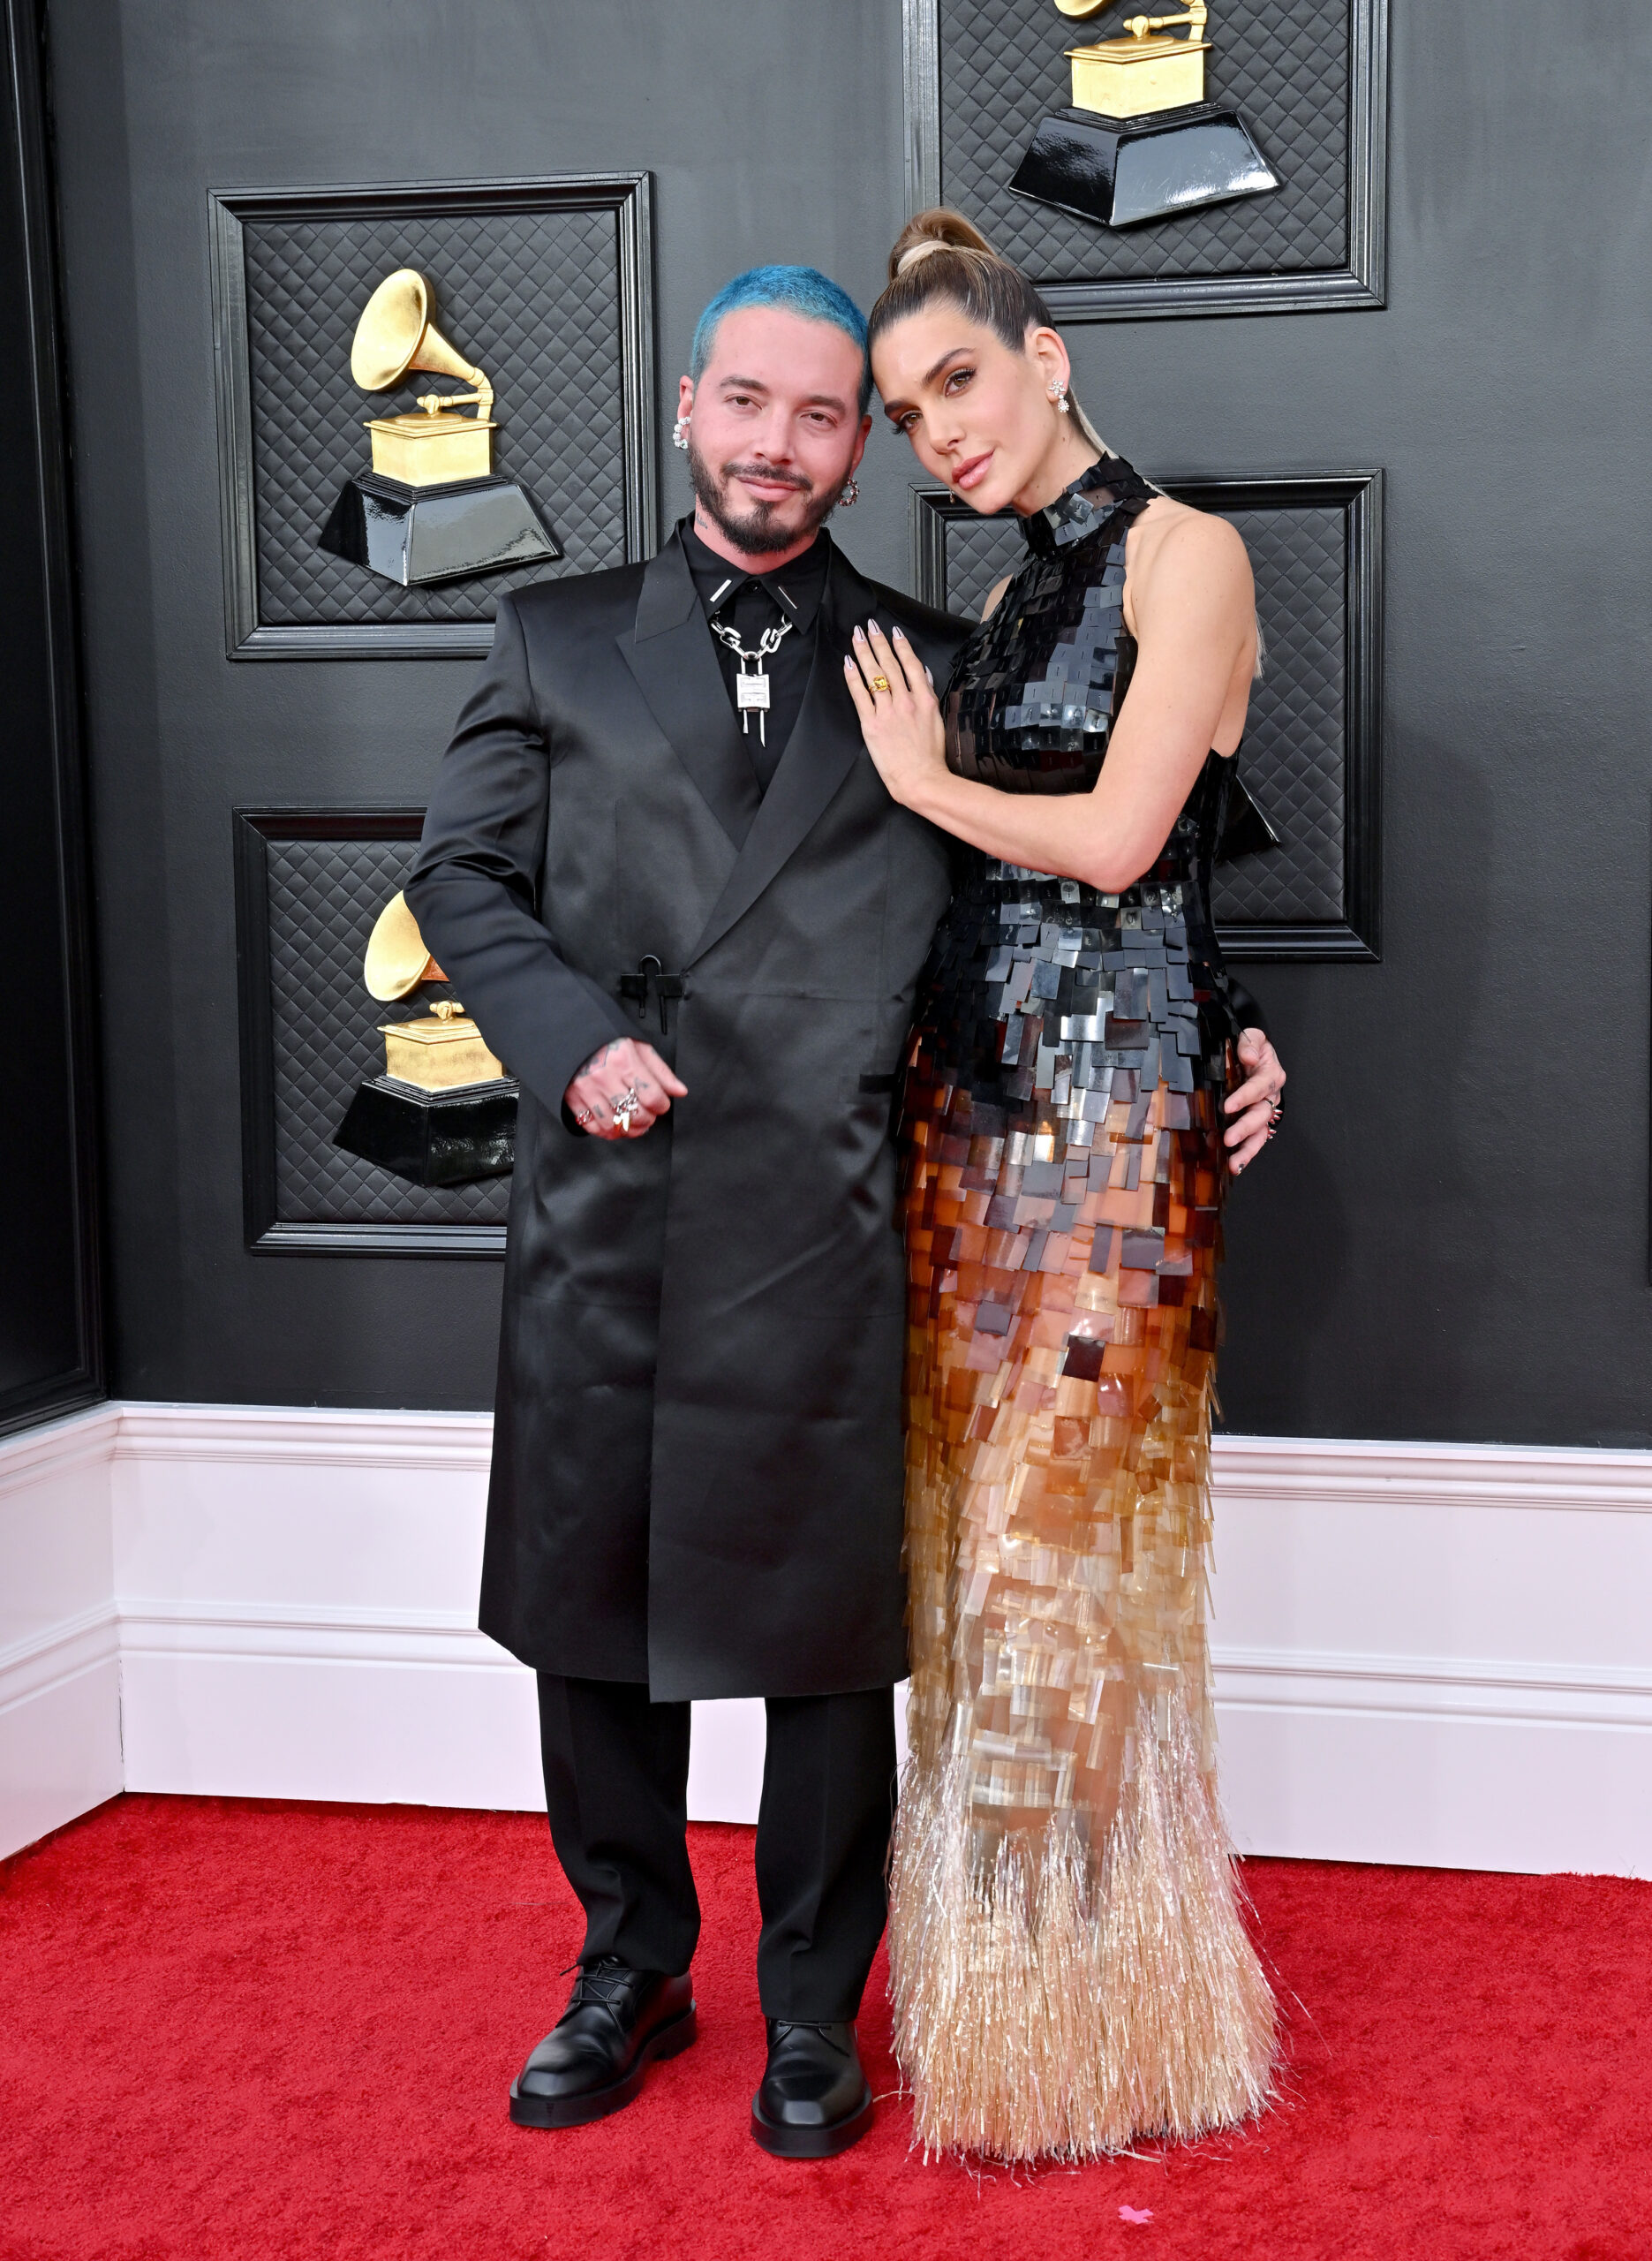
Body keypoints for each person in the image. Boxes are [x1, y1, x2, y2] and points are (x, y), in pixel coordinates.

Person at [404, 266, 975, 2159]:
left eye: (821, 417)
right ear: (685, 405)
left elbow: (1028, 906)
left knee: (825, 1627)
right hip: (614, 1188)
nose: (777, 448)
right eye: (749, 404)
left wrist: (1219, 1028)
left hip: (823, 1200)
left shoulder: (920, 658)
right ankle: (630, 1959)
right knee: (593, 1607)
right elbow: (464, 872)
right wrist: (566, 1043)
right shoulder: (554, 633)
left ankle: (818, 2008)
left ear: (857, 442)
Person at [841, 209, 1286, 2163]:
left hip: (1111, 1135)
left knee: (1067, 1548)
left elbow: (1122, 843)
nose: (936, 429)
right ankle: (1023, 2002)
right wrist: (1252, 1015)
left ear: (1049, 357)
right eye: (902, 410)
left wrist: (922, 778)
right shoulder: (1011, 608)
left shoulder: (1190, 553)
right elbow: (1195, 872)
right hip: (973, 1115)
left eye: (957, 379)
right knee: (981, 1551)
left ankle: (1100, 2015)